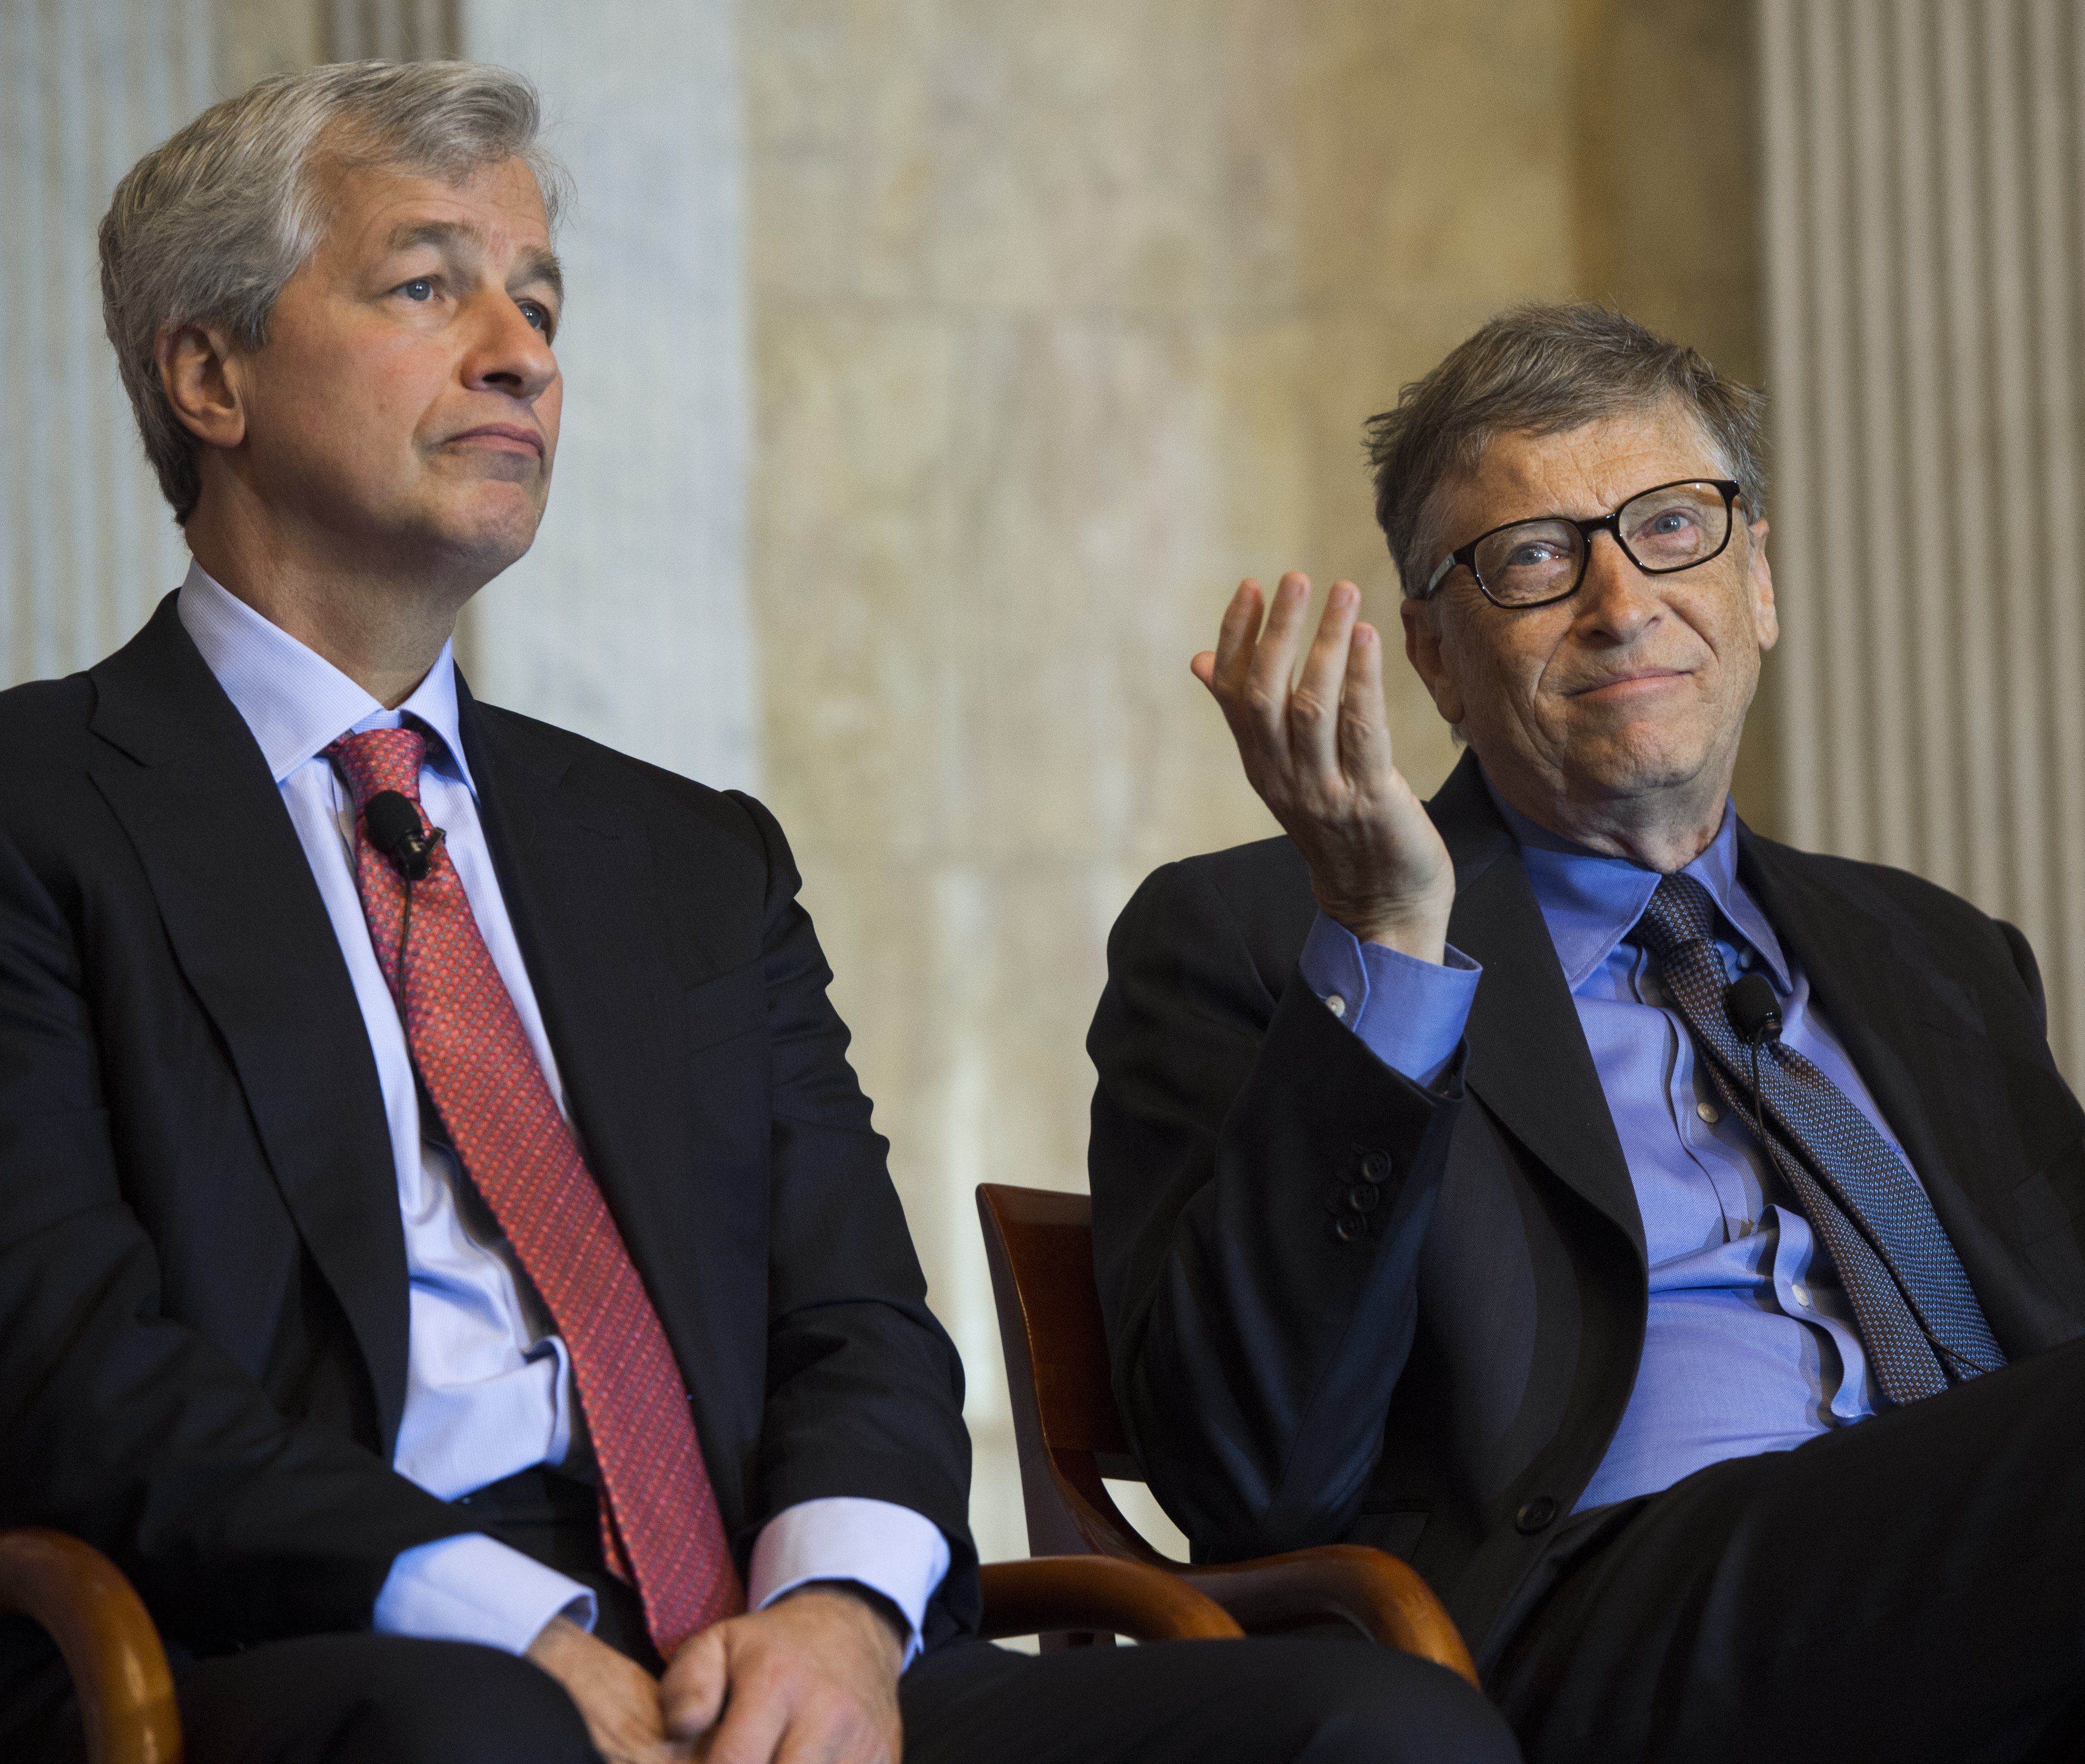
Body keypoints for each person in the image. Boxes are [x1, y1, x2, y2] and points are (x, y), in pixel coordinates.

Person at [0, 61, 1519, 1764]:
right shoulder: (39, 812)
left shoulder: (690, 854)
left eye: (540, 299)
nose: (521, 350)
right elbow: (71, 1366)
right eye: (428, 285)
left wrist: (843, 1615)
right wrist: (511, 1624)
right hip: (338, 1639)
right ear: (209, 372)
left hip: (763, 1645)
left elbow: (859, 1320)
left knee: (1369, 1723)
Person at [1087, 302, 2085, 1763]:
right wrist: (1385, 941)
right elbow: (1251, 1470)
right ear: (1435, 658)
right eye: (1532, 556)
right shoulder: (1267, 934)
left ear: (1756, 582)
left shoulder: (1929, 951)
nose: (1621, 602)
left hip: (1987, 1606)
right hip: (1595, 1631)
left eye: (1673, 526)